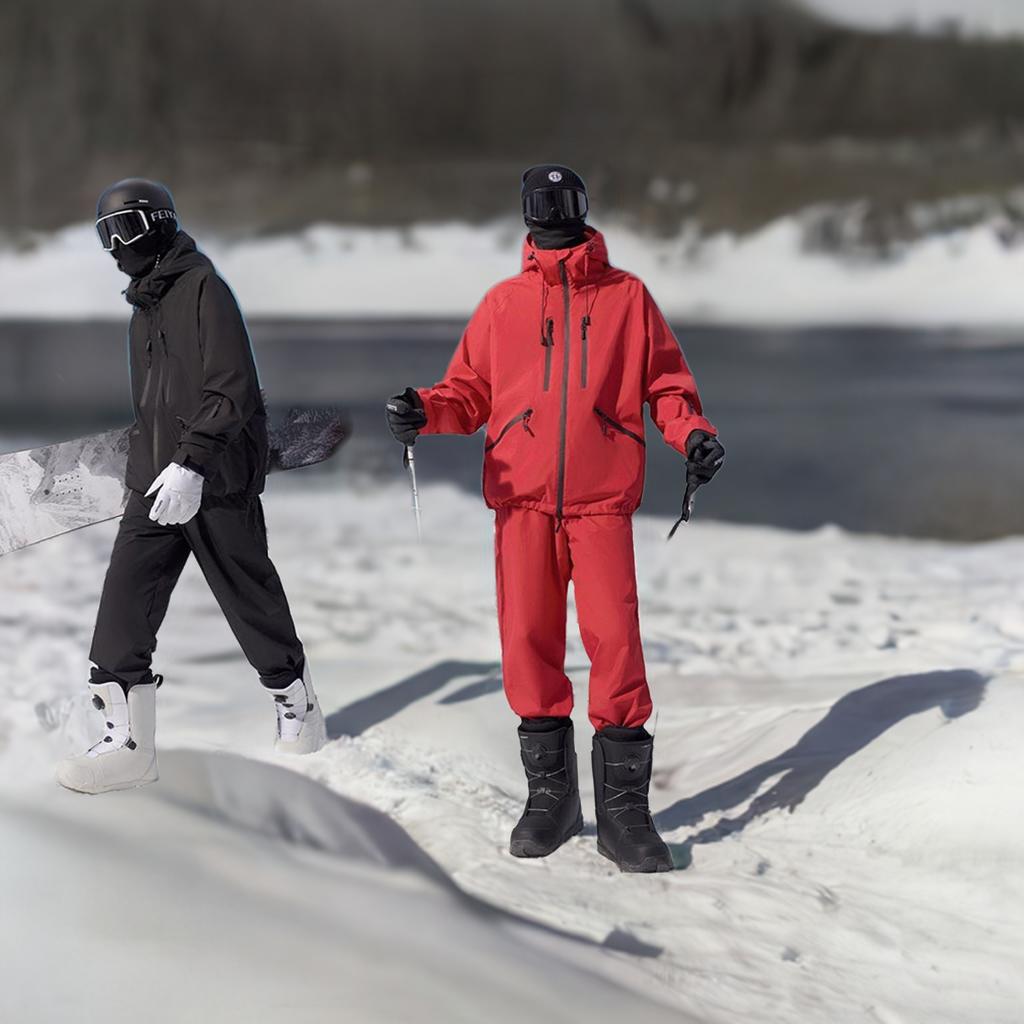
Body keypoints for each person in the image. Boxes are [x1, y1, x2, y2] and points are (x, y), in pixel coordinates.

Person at [386, 165, 724, 872]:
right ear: (525, 214)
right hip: (522, 503)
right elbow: (469, 393)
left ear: (580, 208)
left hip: (601, 503)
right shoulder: (503, 304)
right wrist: (425, 406)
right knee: (528, 643)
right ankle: (552, 799)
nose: (550, 214)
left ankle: (625, 816)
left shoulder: (628, 298)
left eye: (560, 202)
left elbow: (666, 385)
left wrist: (690, 432)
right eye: (538, 204)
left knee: (616, 646)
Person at [56, 179, 326, 795]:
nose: (114, 246)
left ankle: (295, 698)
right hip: (155, 483)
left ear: (155, 223)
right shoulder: (144, 307)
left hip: (214, 480)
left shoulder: (204, 288)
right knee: (123, 603)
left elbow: (230, 388)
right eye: (104, 235)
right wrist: (147, 462)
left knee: (247, 598)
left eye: (121, 229)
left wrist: (194, 464)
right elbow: (157, 404)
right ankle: (128, 746)